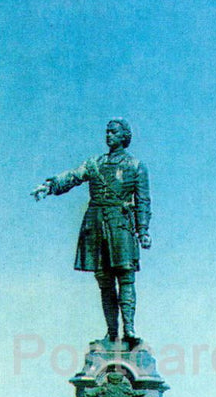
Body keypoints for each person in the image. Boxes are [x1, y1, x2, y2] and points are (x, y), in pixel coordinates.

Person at [32, 119, 152, 348]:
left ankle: (129, 330)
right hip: (95, 225)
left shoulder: (135, 166)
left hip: (120, 225)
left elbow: (143, 201)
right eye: (107, 131)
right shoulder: (95, 163)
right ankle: (112, 332)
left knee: (126, 276)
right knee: (104, 280)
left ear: (124, 136)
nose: (108, 135)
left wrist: (143, 230)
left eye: (114, 132)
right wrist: (49, 186)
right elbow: (73, 176)